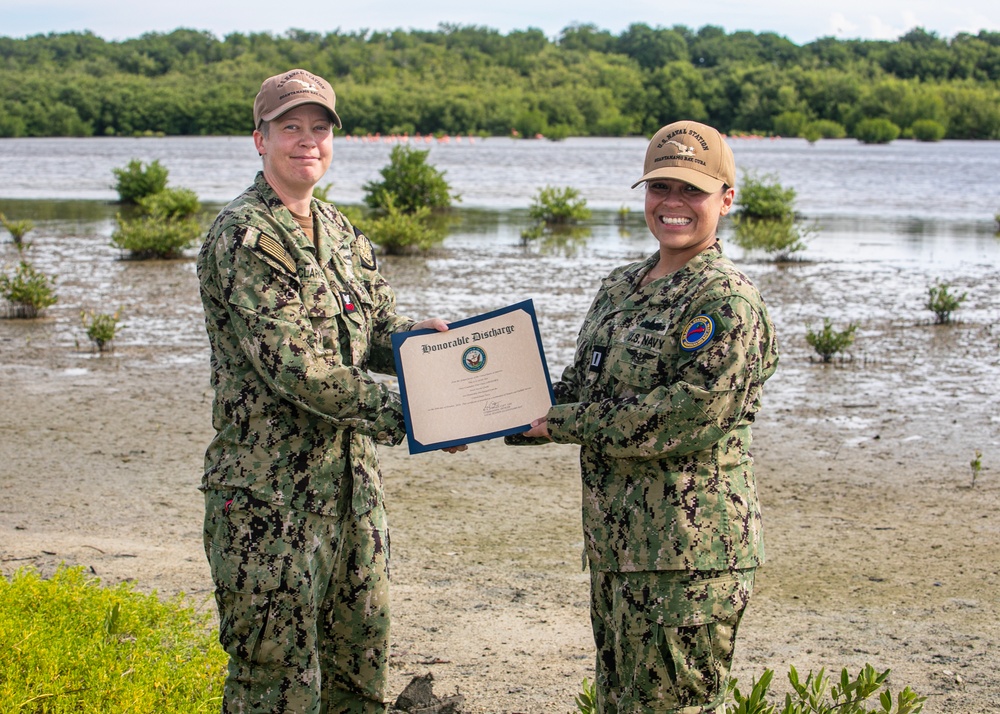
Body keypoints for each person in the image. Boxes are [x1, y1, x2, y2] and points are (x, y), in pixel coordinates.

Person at [196, 68, 456, 714]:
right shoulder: (244, 237)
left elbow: (371, 329)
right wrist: (411, 410)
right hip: (270, 506)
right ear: (259, 139)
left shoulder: (341, 233)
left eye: (319, 128)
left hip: (352, 498)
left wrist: (420, 350)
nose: (307, 140)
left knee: (358, 676)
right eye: (291, 127)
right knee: (276, 686)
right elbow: (296, 368)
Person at [512, 120, 779, 713]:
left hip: (688, 554)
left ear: (726, 200)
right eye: (660, 188)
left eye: (692, 190)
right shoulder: (620, 288)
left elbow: (686, 415)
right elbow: (580, 389)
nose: (672, 204)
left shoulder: (726, 302)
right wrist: (490, 410)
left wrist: (559, 423)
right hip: (617, 548)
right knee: (619, 703)